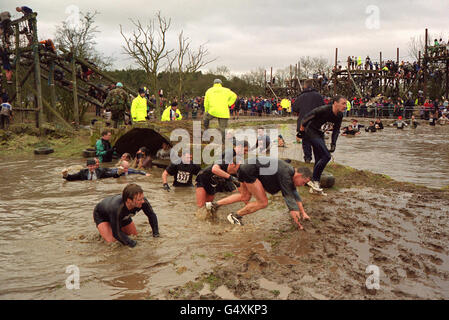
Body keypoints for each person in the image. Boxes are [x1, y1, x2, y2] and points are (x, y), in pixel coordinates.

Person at [206, 158, 312, 230]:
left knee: (245, 196)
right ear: (299, 175)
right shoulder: (286, 176)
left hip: (246, 168)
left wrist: (303, 213)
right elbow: (290, 202)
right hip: (249, 171)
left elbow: (295, 195)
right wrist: (299, 224)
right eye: (303, 182)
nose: (302, 185)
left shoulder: (290, 173)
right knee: (263, 202)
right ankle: (235, 216)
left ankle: (214, 205)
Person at [300, 95, 346, 193]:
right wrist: (302, 127)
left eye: (345, 104)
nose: (345, 106)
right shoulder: (324, 109)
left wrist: (333, 143)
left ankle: (313, 187)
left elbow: (336, 130)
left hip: (320, 133)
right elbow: (308, 116)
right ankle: (315, 181)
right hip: (311, 131)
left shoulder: (339, 115)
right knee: (326, 156)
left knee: (319, 158)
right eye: (343, 103)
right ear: (335, 103)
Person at [93, 183, 159, 247]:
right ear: (129, 200)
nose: (143, 201)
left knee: (134, 236)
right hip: (102, 216)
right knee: (113, 242)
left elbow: (151, 216)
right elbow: (116, 233)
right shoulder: (116, 208)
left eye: (142, 198)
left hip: (123, 215)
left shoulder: (143, 202)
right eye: (139, 200)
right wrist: (134, 245)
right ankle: (104, 231)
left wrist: (156, 235)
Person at [292, 79, 325, 163]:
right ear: (312, 85)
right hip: (316, 122)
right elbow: (324, 109)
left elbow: (295, 108)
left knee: (306, 141)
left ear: (305, 86)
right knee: (316, 141)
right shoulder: (319, 96)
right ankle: (318, 159)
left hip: (304, 122)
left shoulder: (301, 97)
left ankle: (307, 158)